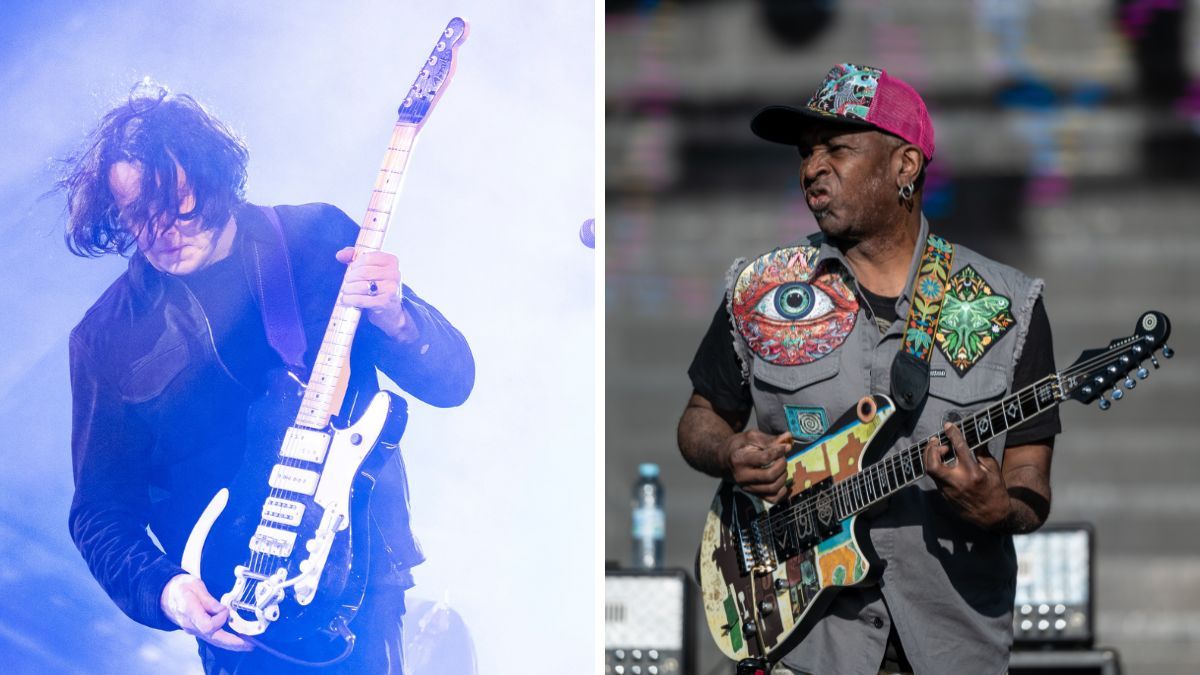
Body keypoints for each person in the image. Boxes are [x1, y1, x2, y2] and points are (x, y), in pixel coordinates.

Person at [62, 82, 474, 673]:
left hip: (362, 576)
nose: (162, 232)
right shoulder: (106, 335)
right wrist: (169, 590)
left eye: (176, 204)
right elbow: (99, 511)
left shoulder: (316, 241)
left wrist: (398, 315)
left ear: (213, 178)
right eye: (137, 215)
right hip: (236, 604)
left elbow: (454, 381)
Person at [677, 63, 1059, 675]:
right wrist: (729, 454)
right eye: (806, 153)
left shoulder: (1007, 305)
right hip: (803, 648)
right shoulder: (764, 291)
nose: (811, 168)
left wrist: (1002, 508)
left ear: (905, 166)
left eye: (837, 148)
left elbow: (1030, 477)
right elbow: (700, 420)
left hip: (948, 645)